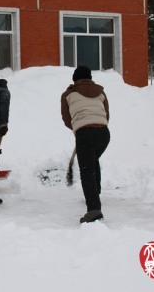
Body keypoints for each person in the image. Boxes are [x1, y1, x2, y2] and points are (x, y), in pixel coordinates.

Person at [61, 66, 110, 223]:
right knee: (93, 159)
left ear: (75, 79)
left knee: (86, 170)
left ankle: (94, 210)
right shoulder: (101, 92)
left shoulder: (68, 94)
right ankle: (96, 191)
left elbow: (67, 119)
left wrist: (79, 127)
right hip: (104, 133)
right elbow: (106, 114)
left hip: (85, 133)